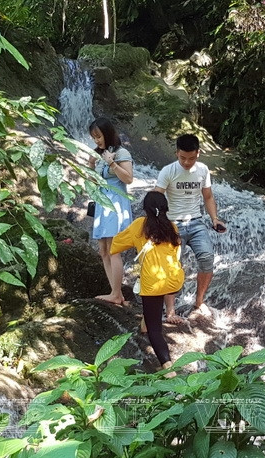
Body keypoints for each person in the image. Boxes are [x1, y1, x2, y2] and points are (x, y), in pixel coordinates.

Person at [154, 134, 225, 323]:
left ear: (198, 154)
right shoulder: (167, 171)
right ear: (176, 153)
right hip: (172, 224)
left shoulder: (202, 170)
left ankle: (199, 302)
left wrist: (215, 219)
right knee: (172, 265)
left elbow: (208, 197)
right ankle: (170, 311)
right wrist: (157, 223)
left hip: (196, 222)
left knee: (207, 257)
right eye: (182, 157)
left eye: (191, 158)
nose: (187, 162)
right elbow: (156, 197)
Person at [111, 191, 185, 374]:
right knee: (153, 303)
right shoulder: (172, 227)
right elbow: (176, 253)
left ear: (145, 209)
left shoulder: (139, 226)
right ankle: (144, 323)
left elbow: (116, 244)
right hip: (175, 278)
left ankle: (168, 368)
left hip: (154, 282)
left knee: (155, 331)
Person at [87, 117, 133, 305]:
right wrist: (90, 165)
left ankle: (116, 293)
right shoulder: (98, 154)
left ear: (107, 133)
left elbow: (129, 179)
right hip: (102, 203)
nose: (97, 141)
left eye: (99, 136)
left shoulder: (121, 152)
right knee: (103, 250)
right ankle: (115, 292)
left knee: (114, 249)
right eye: (94, 138)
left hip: (116, 204)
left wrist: (112, 164)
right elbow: (92, 182)